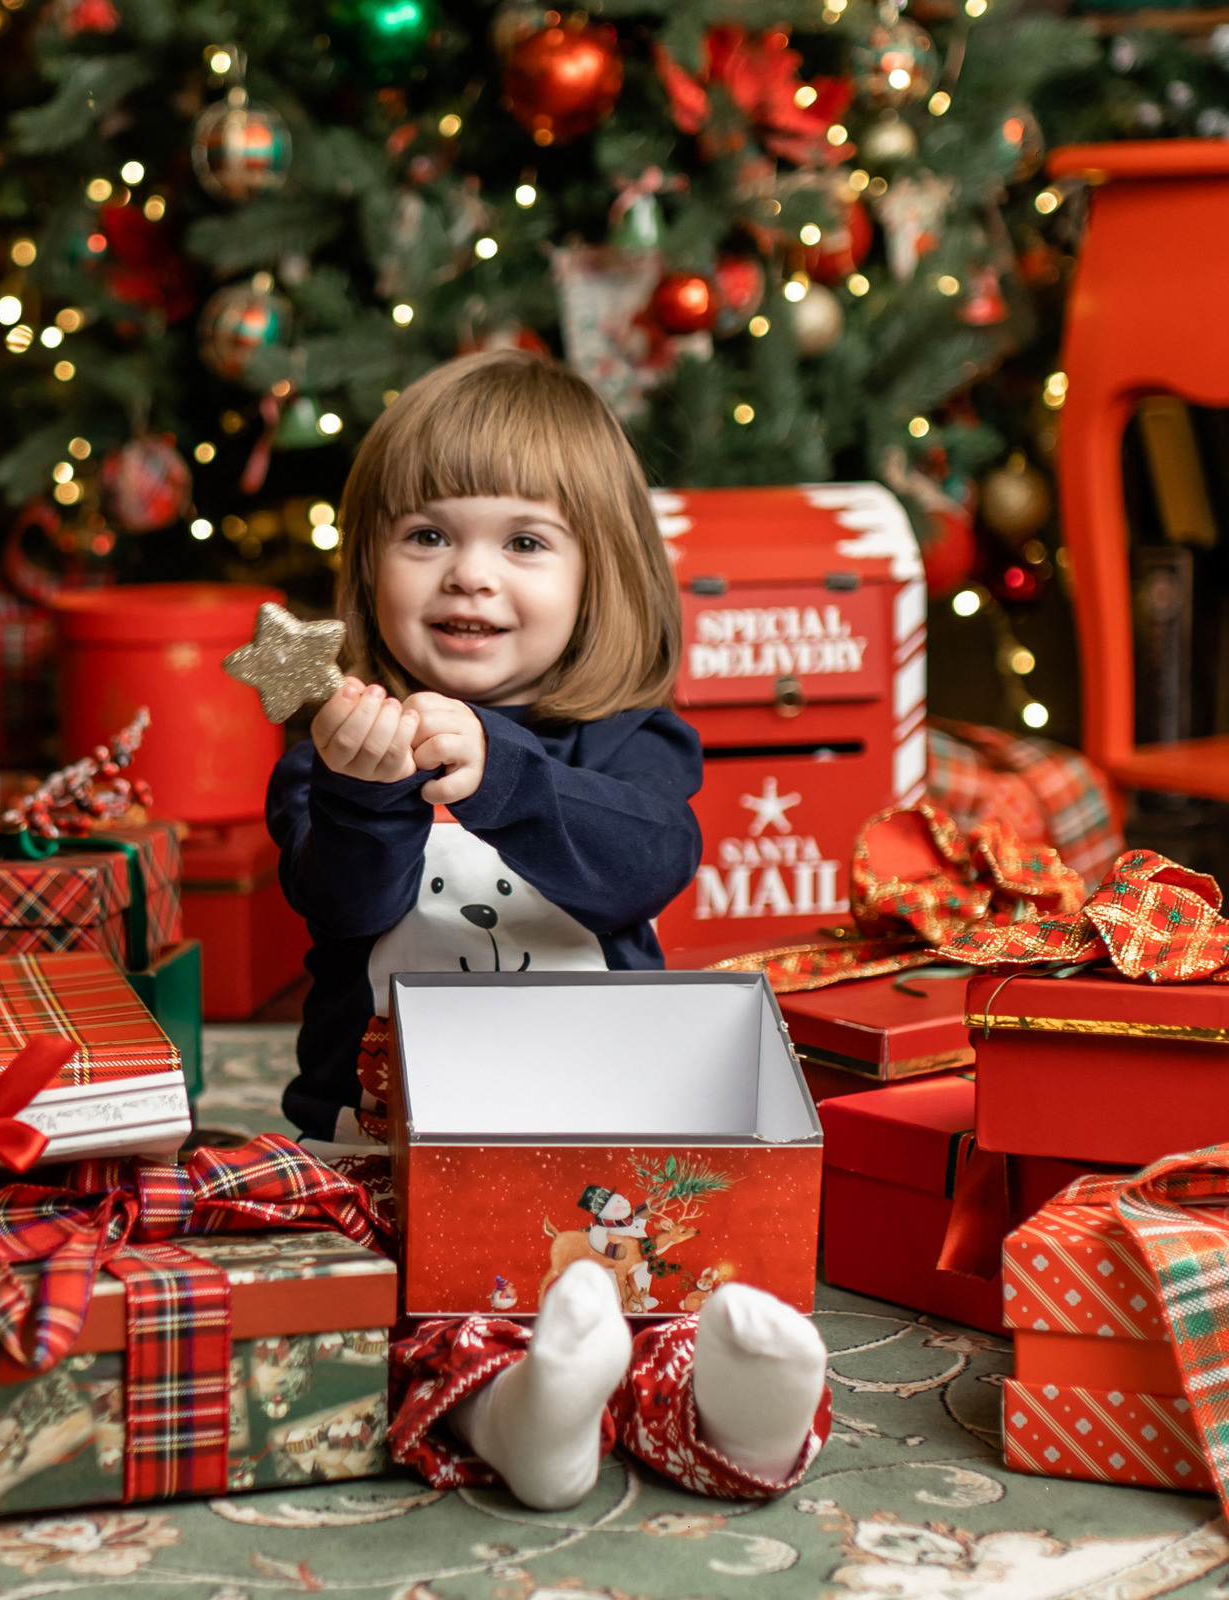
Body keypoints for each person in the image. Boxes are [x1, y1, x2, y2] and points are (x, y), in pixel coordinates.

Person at [265, 348, 829, 1510]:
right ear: (368, 561)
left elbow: (647, 863)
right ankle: (522, 1418)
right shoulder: (333, 742)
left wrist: (506, 773)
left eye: (524, 541)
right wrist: (367, 794)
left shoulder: (626, 739)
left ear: (597, 573)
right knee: (388, 1307)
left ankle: (741, 1407)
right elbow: (342, 906)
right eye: (427, 535)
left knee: (664, 1278)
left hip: (597, 1133)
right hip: (387, 1141)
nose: (469, 574)